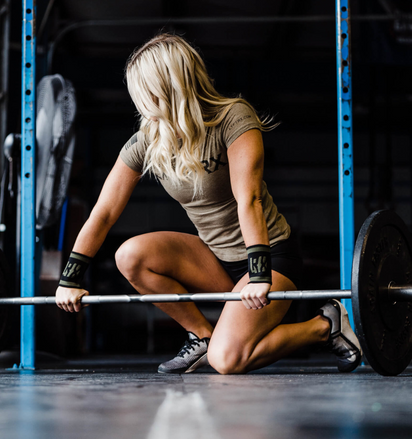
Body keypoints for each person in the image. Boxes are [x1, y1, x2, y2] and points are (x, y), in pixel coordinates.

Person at [55, 33, 362, 374]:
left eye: (145, 94)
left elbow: (250, 198)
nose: (140, 104)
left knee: (227, 360)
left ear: (169, 86)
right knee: (130, 256)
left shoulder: (232, 117)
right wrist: (70, 278)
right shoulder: (149, 139)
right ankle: (201, 334)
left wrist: (258, 273)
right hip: (215, 260)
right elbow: (105, 211)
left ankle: (325, 325)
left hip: (269, 257)